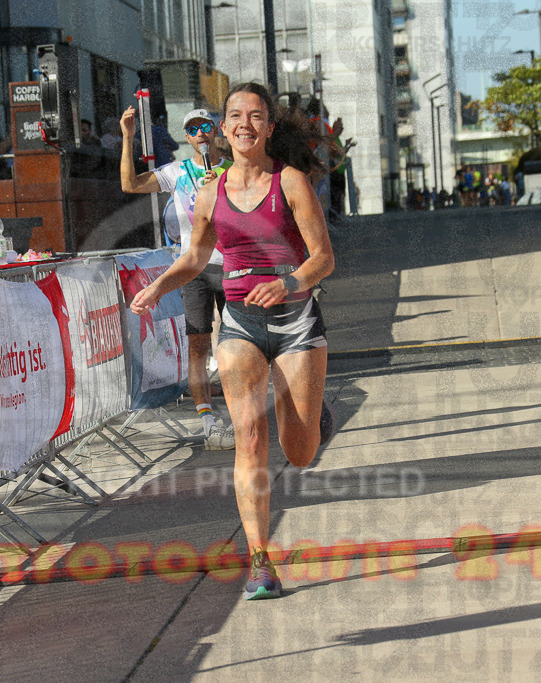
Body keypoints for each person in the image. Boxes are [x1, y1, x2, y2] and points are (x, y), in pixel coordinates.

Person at [129, 83, 335, 600]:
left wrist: (288, 282)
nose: (244, 124)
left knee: (300, 450)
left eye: (256, 116)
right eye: (235, 116)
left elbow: (323, 258)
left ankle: (311, 417)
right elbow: (196, 258)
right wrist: (157, 286)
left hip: (296, 323)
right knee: (250, 438)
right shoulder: (208, 192)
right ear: (223, 128)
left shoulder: (290, 183)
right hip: (240, 322)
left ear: (268, 127)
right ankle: (260, 560)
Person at [120, 106, 235, 450]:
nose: (200, 133)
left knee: (236, 346)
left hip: (232, 266)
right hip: (194, 269)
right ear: (187, 137)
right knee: (199, 345)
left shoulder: (234, 170)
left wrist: (223, 192)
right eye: (193, 129)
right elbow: (130, 184)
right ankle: (208, 423)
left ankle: (239, 414)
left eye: (206, 126)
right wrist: (128, 137)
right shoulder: (178, 171)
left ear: (216, 131)